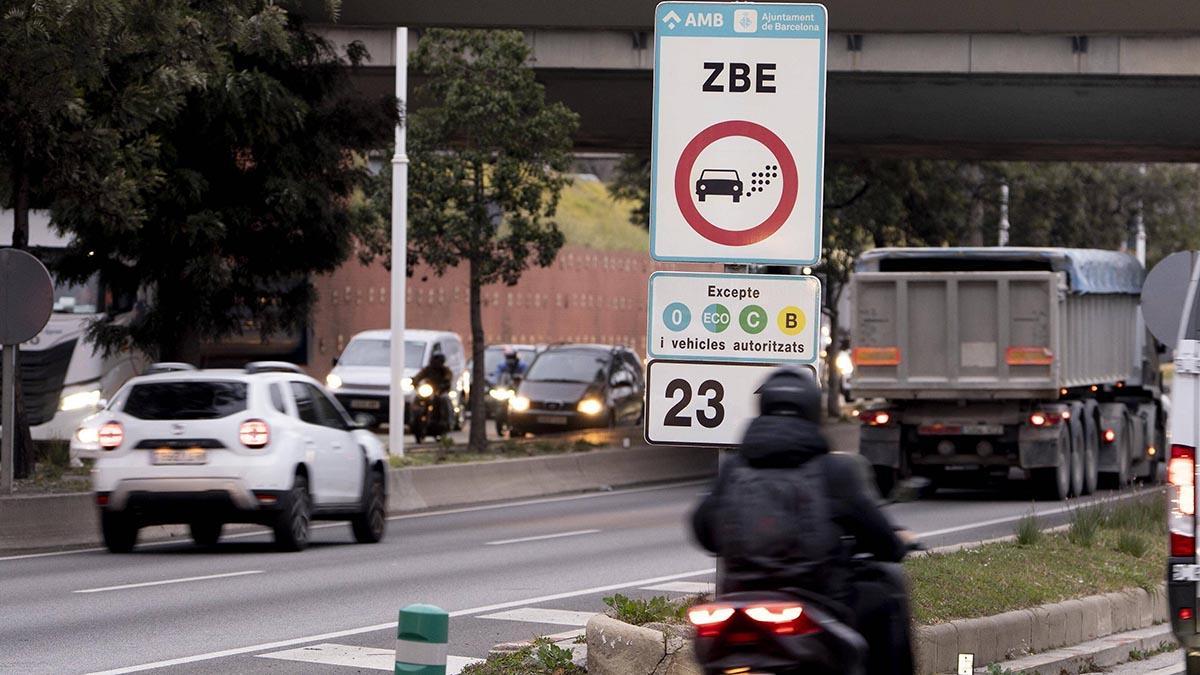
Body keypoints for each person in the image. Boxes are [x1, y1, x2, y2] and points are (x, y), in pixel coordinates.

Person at [691, 367, 914, 675]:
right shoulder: (835, 471)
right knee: (887, 589)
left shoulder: (733, 470)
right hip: (818, 603)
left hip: (737, 606)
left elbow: (702, 531)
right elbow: (881, 540)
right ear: (812, 411)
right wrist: (897, 543)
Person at [413, 353, 454, 423]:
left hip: (440, 391)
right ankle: (414, 418)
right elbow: (419, 376)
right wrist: (414, 381)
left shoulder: (445, 370)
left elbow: (449, 376)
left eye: (438, 361)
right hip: (429, 390)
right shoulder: (428, 369)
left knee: (445, 399)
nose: (436, 363)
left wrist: (445, 382)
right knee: (417, 398)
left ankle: (448, 420)